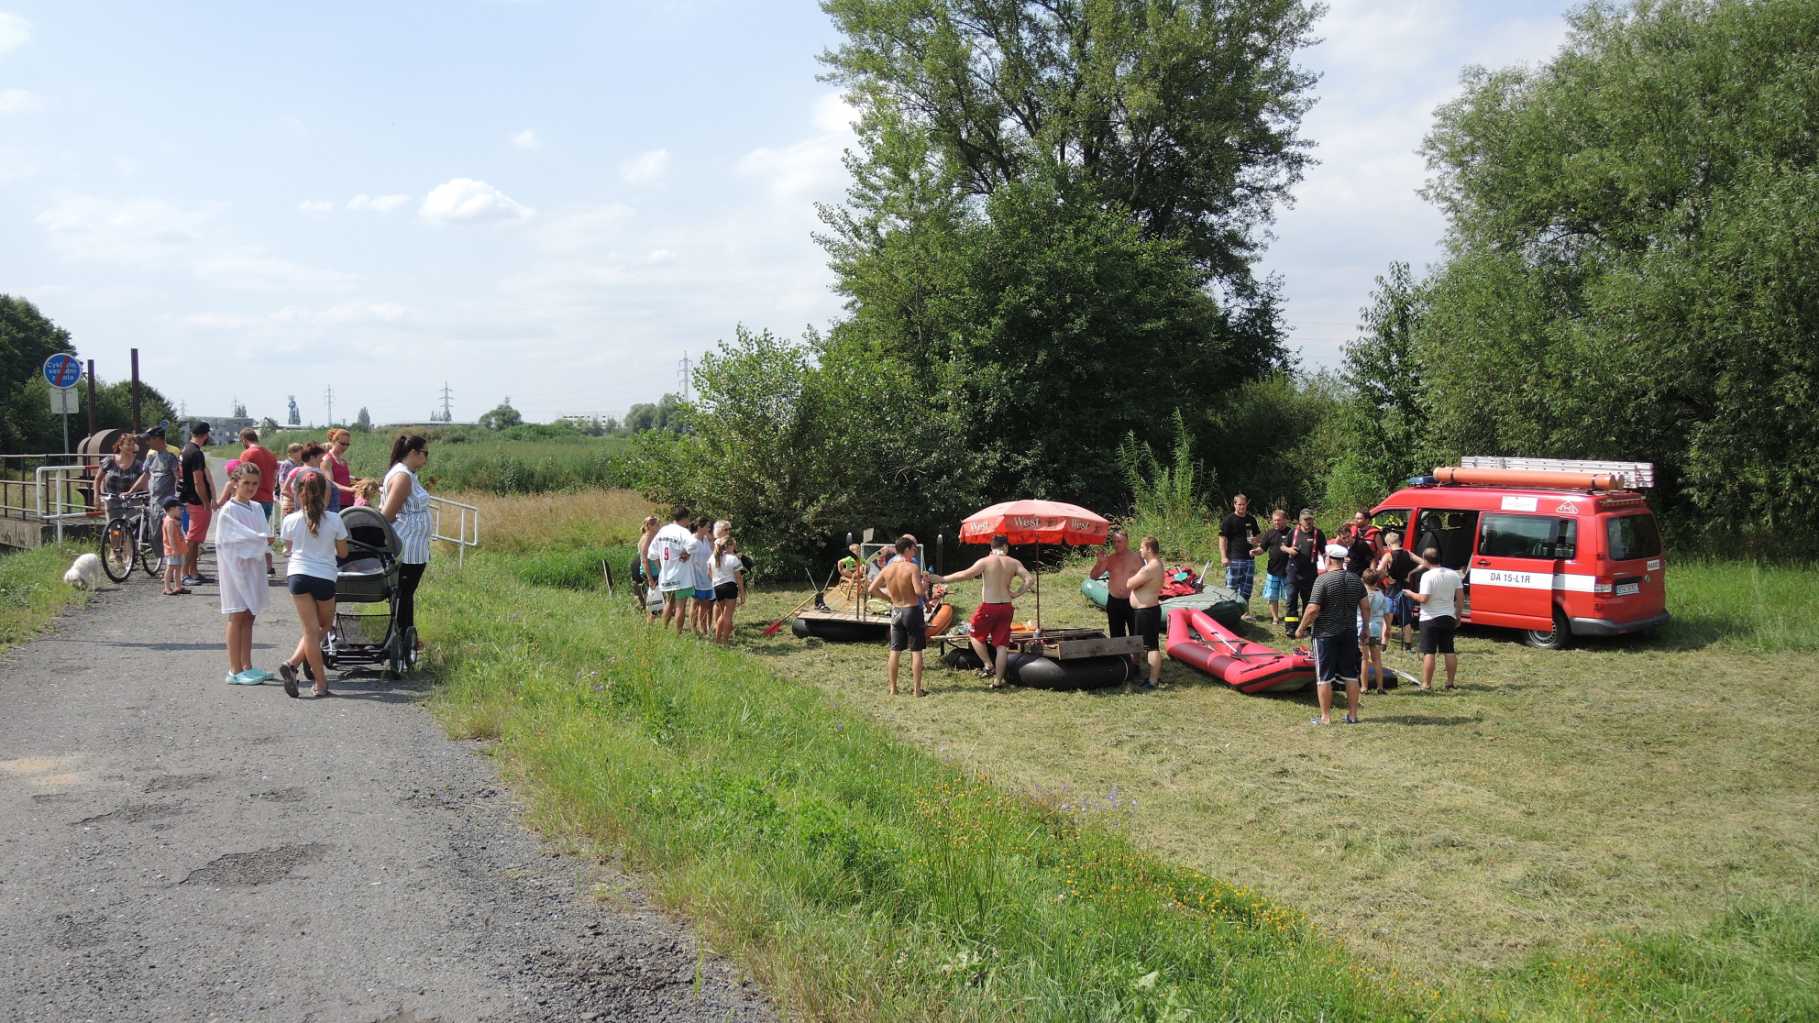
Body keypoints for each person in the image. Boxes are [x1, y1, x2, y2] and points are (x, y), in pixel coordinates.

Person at [276, 472, 349, 699]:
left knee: (310, 630)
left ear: (299, 493)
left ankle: (294, 664)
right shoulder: (335, 520)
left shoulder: (289, 520)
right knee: (323, 627)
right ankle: (320, 683)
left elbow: (288, 547)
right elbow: (343, 552)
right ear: (325, 493)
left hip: (298, 575)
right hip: (324, 577)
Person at [940, 535, 1032, 689]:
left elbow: (964, 575)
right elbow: (1029, 579)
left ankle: (988, 665)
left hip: (989, 606)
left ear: (991, 547)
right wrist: (1017, 593)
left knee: (975, 634)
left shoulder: (985, 561)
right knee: (1002, 645)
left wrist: (942, 579)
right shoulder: (1014, 562)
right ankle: (998, 681)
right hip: (1006, 607)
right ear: (1005, 547)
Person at [1295, 543, 1371, 725]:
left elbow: (1313, 609)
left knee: (1324, 676)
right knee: (1350, 675)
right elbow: (1366, 606)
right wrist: (1366, 628)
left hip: (1325, 634)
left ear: (1328, 559)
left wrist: (1301, 628)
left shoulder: (1323, 580)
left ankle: (1326, 717)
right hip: (1350, 632)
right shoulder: (1355, 580)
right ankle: (1352, 716)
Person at [216, 464, 272, 685]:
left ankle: (247, 665)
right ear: (235, 483)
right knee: (237, 615)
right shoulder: (228, 510)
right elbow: (231, 540)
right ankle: (234, 669)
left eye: (255, 483)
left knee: (250, 615)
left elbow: (262, 532)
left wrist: (263, 539)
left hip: (254, 566)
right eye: (246, 483)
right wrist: (261, 539)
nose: (250, 487)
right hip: (235, 568)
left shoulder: (257, 507)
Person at [378, 434, 432, 651]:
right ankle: (403, 638)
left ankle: (405, 635)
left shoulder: (409, 474)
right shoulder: (402, 477)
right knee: (404, 594)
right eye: (425, 453)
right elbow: (388, 514)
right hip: (407, 546)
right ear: (413, 453)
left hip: (415, 545)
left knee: (406, 593)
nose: (427, 458)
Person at [868, 535, 928, 697]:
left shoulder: (888, 568)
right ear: (907, 549)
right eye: (913, 549)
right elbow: (918, 592)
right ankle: (917, 690)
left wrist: (889, 599)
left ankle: (893, 689)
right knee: (916, 651)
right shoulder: (912, 568)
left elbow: (871, 589)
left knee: (895, 650)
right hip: (912, 610)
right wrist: (925, 585)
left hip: (896, 611)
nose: (915, 551)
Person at [1407, 546, 1463, 690]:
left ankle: (1426, 684)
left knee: (1429, 652)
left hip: (1430, 618)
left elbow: (1424, 598)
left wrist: (1410, 594)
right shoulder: (1454, 574)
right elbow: (1460, 598)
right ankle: (1450, 683)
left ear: (1425, 560)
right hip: (1448, 616)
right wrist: (1458, 615)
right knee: (1449, 650)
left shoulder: (1427, 576)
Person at [237, 428, 280, 576]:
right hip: (267, 498)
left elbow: (241, 476)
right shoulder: (270, 455)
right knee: (263, 533)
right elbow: (275, 477)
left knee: (248, 535)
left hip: (252, 498)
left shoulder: (247, 454)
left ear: (244, 439)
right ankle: (268, 566)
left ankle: (252, 567)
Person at [1126, 536, 1167, 691]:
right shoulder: (1154, 565)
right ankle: (1144, 674)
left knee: (1151, 646)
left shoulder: (1151, 567)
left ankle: (1153, 680)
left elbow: (1130, 584)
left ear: (1149, 549)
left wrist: (1132, 577)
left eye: (1142, 547)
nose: (1140, 550)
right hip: (1144, 610)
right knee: (1142, 644)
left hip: (1147, 611)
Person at [178, 422, 214, 588]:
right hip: (196, 500)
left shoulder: (185, 449)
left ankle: (193, 571)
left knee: (196, 538)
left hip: (187, 497)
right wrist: (206, 501)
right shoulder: (196, 453)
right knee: (192, 539)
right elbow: (198, 480)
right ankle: (185, 573)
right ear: (205, 435)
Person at [1088, 531, 1142, 640]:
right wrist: (1100, 563)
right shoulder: (1110, 559)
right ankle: (1120, 657)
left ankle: (1137, 656)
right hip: (1114, 601)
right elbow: (1093, 576)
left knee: (1136, 635)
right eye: (1114, 542)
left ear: (1127, 542)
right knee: (1116, 636)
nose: (1116, 544)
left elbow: (1146, 578)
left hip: (1132, 601)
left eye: (1119, 541)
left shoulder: (1136, 558)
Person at [651, 506, 696, 634]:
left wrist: (661, 568)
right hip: (681, 577)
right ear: (685, 518)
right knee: (680, 606)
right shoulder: (684, 532)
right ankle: (677, 634)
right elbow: (693, 545)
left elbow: (652, 553)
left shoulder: (663, 531)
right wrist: (687, 553)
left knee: (669, 604)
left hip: (666, 575)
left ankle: (664, 631)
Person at [1219, 494, 1262, 619]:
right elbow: (1222, 540)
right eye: (1239, 504)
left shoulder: (1251, 519)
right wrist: (1223, 557)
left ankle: (1245, 613)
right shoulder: (1229, 520)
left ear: (1246, 504)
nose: (1242, 507)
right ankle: (1228, 613)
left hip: (1249, 558)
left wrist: (1256, 540)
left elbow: (1258, 537)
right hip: (1234, 558)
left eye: (1244, 504)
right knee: (1231, 588)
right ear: (1234, 504)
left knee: (1246, 588)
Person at [1375, 530, 1418, 650]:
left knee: (1387, 618)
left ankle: (1383, 645)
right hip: (1405, 589)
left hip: (1392, 589)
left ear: (1388, 544)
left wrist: (1387, 574)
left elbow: (1379, 571)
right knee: (1406, 619)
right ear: (1399, 542)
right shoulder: (1408, 553)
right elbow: (1424, 563)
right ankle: (1408, 646)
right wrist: (1410, 572)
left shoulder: (1388, 555)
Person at [1282, 508, 1325, 623]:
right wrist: (1289, 550)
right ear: (1300, 521)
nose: (1308, 522)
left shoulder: (1318, 533)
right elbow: (1283, 546)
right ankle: (1291, 626)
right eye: (1306, 519)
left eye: (1310, 519)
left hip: (1310, 573)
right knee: (1291, 599)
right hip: (1293, 572)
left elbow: (1325, 553)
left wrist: (1329, 569)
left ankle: (1306, 626)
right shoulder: (1293, 532)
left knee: (1309, 601)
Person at [136, 426, 181, 524]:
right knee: (154, 534)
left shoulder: (171, 456)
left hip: (167, 504)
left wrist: (175, 501)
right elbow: (145, 475)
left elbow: (178, 477)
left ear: (157, 439)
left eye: (149, 439)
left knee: (168, 534)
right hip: (154, 502)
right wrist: (131, 491)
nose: (147, 442)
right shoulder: (151, 456)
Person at [96, 432, 145, 521]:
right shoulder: (109, 460)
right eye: (128, 444)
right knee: (114, 529)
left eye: (133, 445)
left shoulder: (138, 464)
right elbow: (98, 479)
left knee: (131, 526)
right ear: (120, 446)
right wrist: (97, 496)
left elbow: (144, 480)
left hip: (132, 500)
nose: (131, 447)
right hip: (112, 500)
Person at [1258, 509, 1293, 626]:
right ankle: (1275, 618)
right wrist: (1255, 551)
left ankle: (1290, 618)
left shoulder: (1292, 533)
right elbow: (1262, 549)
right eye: (1274, 520)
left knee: (1290, 597)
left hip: (1289, 571)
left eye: (1279, 520)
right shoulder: (1269, 533)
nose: (1276, 522)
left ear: (1285, 520)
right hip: (1272, 570)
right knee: (1272, 596)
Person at [1360, 569, 1392, 695]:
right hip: (1377, 628)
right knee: (1377, 659)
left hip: (1363, 627)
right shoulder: (1381, 595)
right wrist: (1388, 629)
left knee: (1364, 659)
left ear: (1363, 580)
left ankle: (1364, 687)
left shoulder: (1362, 594)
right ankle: (1380, 686)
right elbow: (1386, 613)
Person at [711, 534, 746, 645]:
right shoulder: (733, 559)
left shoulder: (713, 557)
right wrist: (742, 593)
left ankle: (717, 640)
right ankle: (725, 641)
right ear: (729, 546)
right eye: (733, 545)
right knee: (727, 616)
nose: (734, 548)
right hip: (729, 587)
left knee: (722, 615)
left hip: (717, 587)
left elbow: (709, 573)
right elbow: (739, 577)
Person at [691, 517, 715, 638]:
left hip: (707, 578)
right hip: (696, 578)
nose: (709, 528)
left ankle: (703, 629)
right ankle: (695, 629)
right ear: (700, 527)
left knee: (705, 604)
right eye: (707, 526)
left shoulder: (705, 539)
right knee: (696, 604)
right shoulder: (692, 541)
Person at [159, 497, 189, 596]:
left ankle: (178, 586)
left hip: (178, 548)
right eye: (179, 509)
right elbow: (171, 537)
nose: (181, 511)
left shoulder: (172, 520)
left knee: (178, 567)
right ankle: (167, 587)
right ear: (171, 509)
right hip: (173, 550)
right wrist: (174, 549)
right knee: (171, 567)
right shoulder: (170, 522)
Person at [323, 429, 357, 512]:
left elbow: (343, 477)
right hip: (335, 503)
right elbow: (329, 482)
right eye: (342, 444)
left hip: (348, 502)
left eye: (347, 444)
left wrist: (359, 481)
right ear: (334, 441)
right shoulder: (327, 459)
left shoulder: (343, 460)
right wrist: (350, 489)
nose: (345, 447)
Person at [1340, 510, 1376, 575]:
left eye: (1359, 518)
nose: (1347, 540)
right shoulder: (1354, 532)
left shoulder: (1362, 543)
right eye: (1355, 518)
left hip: (1362, 576)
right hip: (1349, 576)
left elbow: (1372, 559)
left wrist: (1371, 577)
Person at [276, 443, 303, 516]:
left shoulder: (300, 464)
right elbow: (282, 480)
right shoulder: (287, 464)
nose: (301, 454)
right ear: (292, 453)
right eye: (298, 451)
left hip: (296, 493)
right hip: (288, 495)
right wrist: (285, 493)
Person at [635, 515, 661, 590]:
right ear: (648, 526)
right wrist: (650, 580)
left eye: (655, 521)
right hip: (652, 574)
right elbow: (644, 560)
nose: (656, 523)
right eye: (652, 522)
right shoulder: (646, 539)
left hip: (657, 572)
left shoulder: (654, 536)